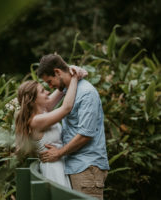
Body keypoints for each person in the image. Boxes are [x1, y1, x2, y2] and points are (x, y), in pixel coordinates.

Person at [38, 54, 109, 200]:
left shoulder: (86, 93)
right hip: (77, 165)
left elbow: (85, 134)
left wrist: (59, 153)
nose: (50, 87)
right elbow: (49, 106)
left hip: (87, 167)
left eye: (50, 82)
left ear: (57, 72)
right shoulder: (69, 90)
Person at [15, 66, 86, 188]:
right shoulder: (36, 121)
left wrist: (70, 74)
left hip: (58, 163)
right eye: (42, 91)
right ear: (33, 100)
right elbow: (66, 108)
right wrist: (74, 78)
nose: (48, 92)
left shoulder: (44, 111)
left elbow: (61, 89)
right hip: (53, 168)